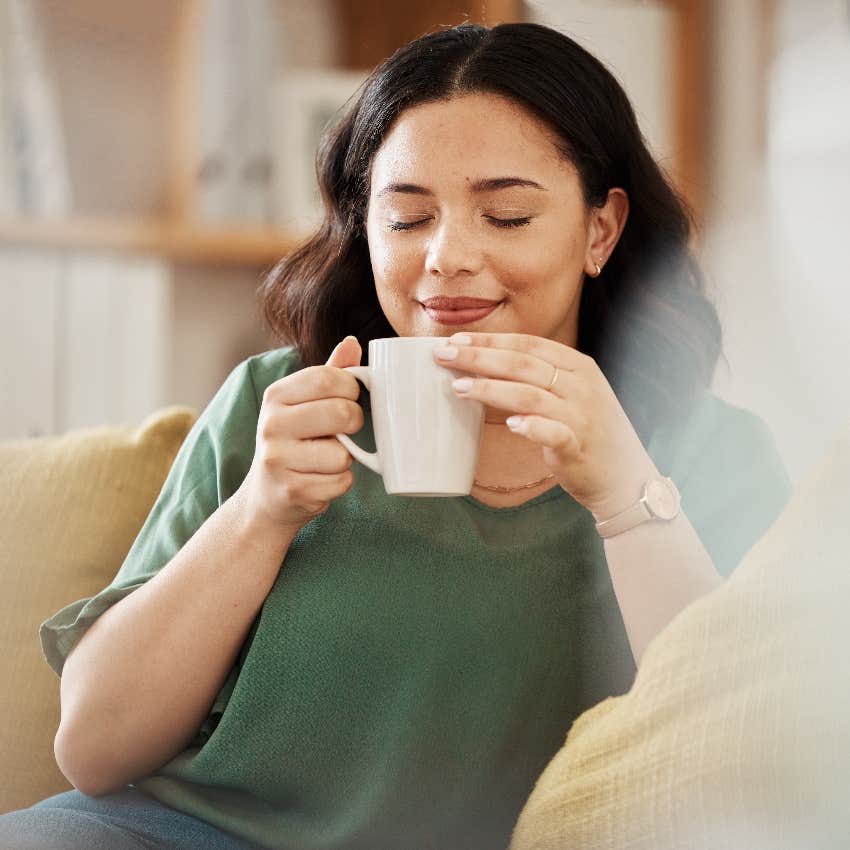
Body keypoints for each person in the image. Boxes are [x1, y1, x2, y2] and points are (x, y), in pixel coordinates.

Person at [0, 21, 792, 850]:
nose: (446, 257)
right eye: (408, 219)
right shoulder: (278, 403)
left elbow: (742, 774)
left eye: (508, 215)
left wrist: (627, 499)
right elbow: (93, 749)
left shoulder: (709, 452)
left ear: (600, 230)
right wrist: (261, 513)